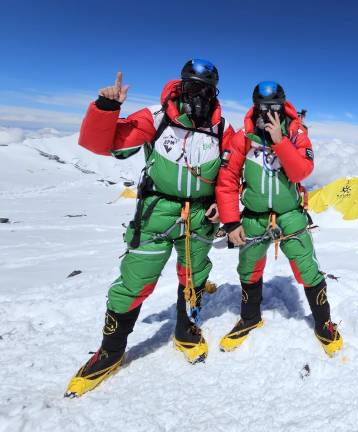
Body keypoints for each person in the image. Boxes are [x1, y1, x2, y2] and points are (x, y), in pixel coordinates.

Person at [65, 59, 233, 397]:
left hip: (200, 216)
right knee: (134, 280)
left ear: (215, 92)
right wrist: (106, 107)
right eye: (191, 86)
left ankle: (186, 331)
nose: (198, 94)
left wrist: (223, 202)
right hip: (157, 211)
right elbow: (103, 144)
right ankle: (110, 353)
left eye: (205, 88)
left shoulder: (221, 128)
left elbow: (231, 172)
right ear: (180, 85)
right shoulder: (157, 117)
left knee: (195, 276)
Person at [215, 82, 343, 357]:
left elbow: (301, 172)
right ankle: (250, 317)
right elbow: (226, 180)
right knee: (248, 268)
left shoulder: (296, 133)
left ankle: (323, 323)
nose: (268, 113)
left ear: (283, 106)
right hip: (253, 216)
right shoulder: (243, 137)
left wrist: (279, 140)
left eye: (274, 108)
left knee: (307, 268)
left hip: (290, 214)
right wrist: (231, 222)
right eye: (263, 108)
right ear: (254, 106)